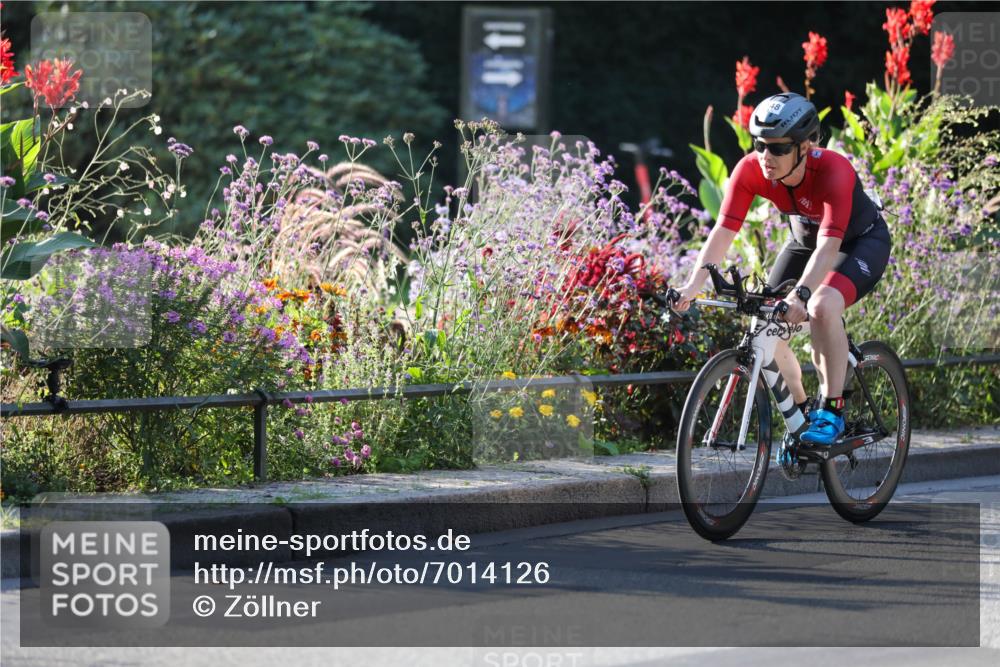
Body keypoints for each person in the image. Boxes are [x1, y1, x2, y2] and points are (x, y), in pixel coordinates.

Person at [673, 92, 892, 445]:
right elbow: (724, 231)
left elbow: (830, 246)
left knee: (821, 306)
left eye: (778, 148)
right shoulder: (750, 170)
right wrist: (691, 286)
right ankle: (803, 417)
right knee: (766, 319)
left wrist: (801, 295)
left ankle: (832, 411)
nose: (765, 156)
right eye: (760, 145)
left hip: (859, 242)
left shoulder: (834, 170)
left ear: (805, 147)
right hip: (805, 242)